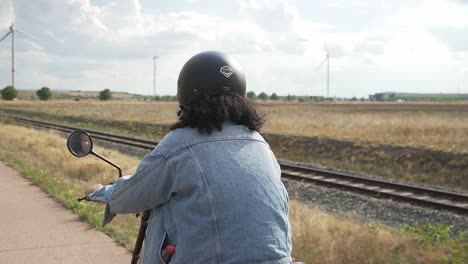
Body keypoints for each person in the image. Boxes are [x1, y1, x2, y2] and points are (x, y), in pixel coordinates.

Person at [86, 51, 292, 264]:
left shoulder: (180, 142)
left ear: (185, 96)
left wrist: (103, 193)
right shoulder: (259, 143)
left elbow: (132, 194)